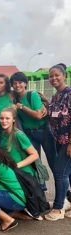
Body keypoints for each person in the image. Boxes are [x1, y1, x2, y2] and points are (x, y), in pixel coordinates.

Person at [47, 63, 71, 220]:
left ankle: (58, 208)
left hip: (68, 141)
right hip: (59, 140)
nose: (54, 78)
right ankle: (68, 203)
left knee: (59, 171)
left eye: (57, 75)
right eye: (51, 76)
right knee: (69, 173)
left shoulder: (70, 93)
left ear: (64, 76)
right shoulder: (55, 96)